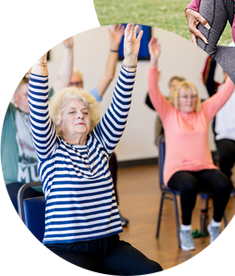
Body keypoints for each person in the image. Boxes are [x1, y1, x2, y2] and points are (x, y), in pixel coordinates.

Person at [28, 24, 164, 276]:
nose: (80, 115)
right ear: (57, 121)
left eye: (84, 112)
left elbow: (121, 103)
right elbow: (37, 103)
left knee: (152, 272)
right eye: (71, 112)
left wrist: (130, 61)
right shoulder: (50, 150)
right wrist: (40, 56)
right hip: (63, 250)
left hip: (109, 246)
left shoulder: (100, 145)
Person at [147, 38, 235, 251]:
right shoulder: (169, 113)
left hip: (203, 166)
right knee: (188, 185)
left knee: (224, 184)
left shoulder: (204, 111)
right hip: (177, 171)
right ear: (177, 98)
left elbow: (226, 91)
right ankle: (185, 230)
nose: (189, 99)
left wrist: (234, 62)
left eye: (193, 96)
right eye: (185, 96)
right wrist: (154, 61)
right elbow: (153, 91)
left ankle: (215, 226)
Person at [0, 26, 74, 276]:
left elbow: (62, 82)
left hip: (43, 180)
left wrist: (69, 48)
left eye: (34, 94)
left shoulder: (44, 113)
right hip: (12, 183)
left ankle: (57, 254)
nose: (30, 98)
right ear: (15, 96)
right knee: (17, 199)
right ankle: (19, 261)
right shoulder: (8, 113)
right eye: (25, 94)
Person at [69, 24, 129, 226]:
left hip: (93, 153)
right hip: (70, 158)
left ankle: (112, 210)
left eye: (78, 83)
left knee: (110, 157)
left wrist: (114, 46)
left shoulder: (88, 100)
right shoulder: (58, 107)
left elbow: (109, 75)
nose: (75, 87)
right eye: (71, 83)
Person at [203, 57, 235, 197]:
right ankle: (228, 185)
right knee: (226, 155)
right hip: (226, 135)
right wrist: (213, 56)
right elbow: (207, 77)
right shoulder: (217, 90)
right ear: (224, 74)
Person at [144, 74, 186, 145]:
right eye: (173, 86)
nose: (175, 88)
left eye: (178, 86)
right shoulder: (164, 101)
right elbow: (149, 101)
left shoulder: (189, 103)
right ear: (169, 87)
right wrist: (153, 82)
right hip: (165, 139)